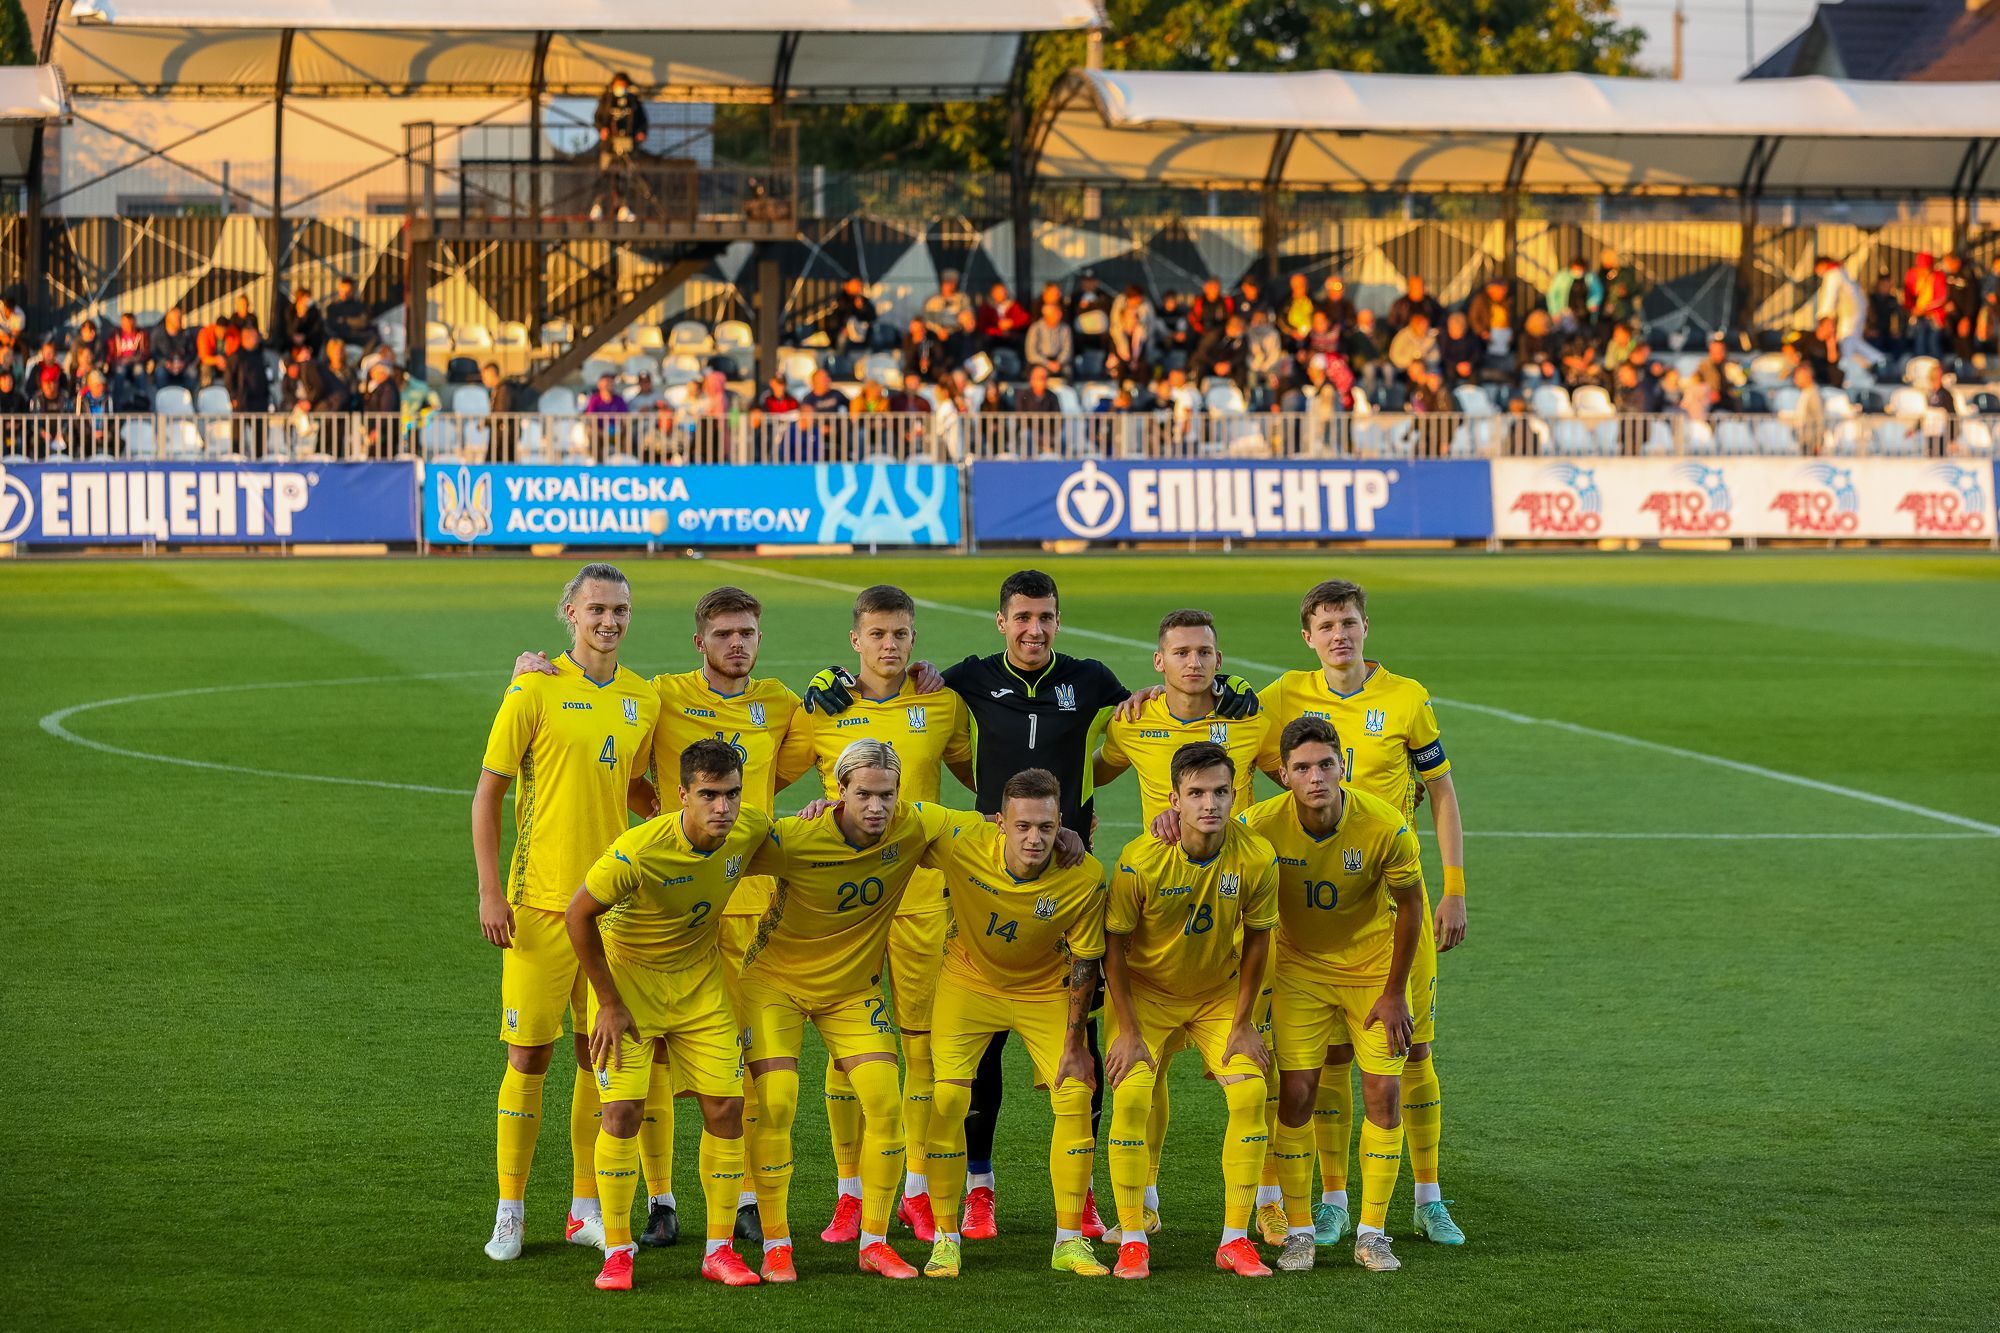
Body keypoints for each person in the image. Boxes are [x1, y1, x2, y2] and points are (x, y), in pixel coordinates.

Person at [514, 585, 815, 1251]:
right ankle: (660, 1199)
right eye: (724, 633)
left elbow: (803, 768)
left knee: (743, 1065)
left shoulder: (782, 704)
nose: (737, 644)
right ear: (699, 641)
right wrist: (661, 812)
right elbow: (615, 752)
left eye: (747, 632)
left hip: (751, 907)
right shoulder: (662, 694)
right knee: (645, 1065)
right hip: (672, 905)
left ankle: (739, 1200)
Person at [1256, 579, 1468, 1248]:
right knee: (1335, 1055)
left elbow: (1441, 791)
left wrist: (1455, 886)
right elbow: (1222, 721)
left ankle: (1428, 1197)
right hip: (1320, 899)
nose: (1338, 634)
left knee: (1414, 1048)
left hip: (1393, 897)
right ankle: (1335, 1200)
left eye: (1348, 621)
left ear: (1366, 627)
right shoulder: (1283, 695)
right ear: (1308, 636)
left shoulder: (1407, 697)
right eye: (1326, 625)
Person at [474, 564, 662, 1266]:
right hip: (538, 907)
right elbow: (486, 796)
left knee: (599, 1054)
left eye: (620, 609)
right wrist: (491, 891)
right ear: (569, 612)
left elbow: (637, 784)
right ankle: (510, 1209)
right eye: (596, 609)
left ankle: (584, 1208)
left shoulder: (644, 697)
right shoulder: (533, 688)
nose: (609, 621)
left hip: (612, 910)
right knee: (529, 1055)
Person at [787, 586, 974, 1246]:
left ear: (914, 639)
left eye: (901, 633)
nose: (890, 644)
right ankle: (850, 1193)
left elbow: (983, 775)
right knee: (847, 1052)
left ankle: (916, 1191)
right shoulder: (818, 708)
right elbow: (763, 774)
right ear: (855, 641)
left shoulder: (943, 702)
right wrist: (810, 814)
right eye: (877, 634)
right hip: (847, 908)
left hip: (922, 899)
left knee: (920, 1045)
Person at [736, 740, 959, 1282]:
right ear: (839, 792)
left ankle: (875, 1242)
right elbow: (717, 850)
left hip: (852, 992)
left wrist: (1064, 835)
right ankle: (776, 1243)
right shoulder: (795, 837)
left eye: (886, 794)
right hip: (775, 985)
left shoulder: (913, 826)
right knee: (779, 1103)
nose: (877, 807)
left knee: (886, 1104)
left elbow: (996, 830)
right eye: (864, 794)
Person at [1090, 610, 1273, 1234]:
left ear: (1219, 660)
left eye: (1204, 652)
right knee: (1147, 1074)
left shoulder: (1249, 720)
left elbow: (1304, 771)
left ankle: (1269, 1201)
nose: (1193, 662)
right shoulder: (1134, 722)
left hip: (1231, 903)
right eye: (1181, 652)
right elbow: (1090, 774)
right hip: (1157, 909)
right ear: (1158, 662)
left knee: (1257, 1074)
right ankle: (1145, 1200)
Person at [566, 738, 769, 1290]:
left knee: (726, 1106)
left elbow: (795, 843)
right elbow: (578, 914)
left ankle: (719, 1250)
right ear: (682, 795)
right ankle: (617, 1249)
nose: (721, 807)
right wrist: (607, 1002)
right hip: (629, 985)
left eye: (731, 794)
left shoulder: (747, 830)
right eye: (708, 795)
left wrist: (829, 810)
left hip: (699, 984)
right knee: (622, 1113)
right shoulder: (640, 849)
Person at [1250, 715, 1427, 1274]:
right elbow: (1207, 847)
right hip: (1300, 970)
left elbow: (1414, 906)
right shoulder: (1259, 825)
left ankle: (1373, 1233)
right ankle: (1300, 1231)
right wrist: (1165, 821)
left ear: (1343, 765)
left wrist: (1396, 992)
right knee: (1297, 1095)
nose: (1317, 776)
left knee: (1384, 1094)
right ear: (1284, 775)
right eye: (1302, 768)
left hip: (1372, 969)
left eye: (1326, 764)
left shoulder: (1384, 825)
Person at [916, 768, 1107, 1279]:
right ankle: (945, 1238)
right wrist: (827, 808)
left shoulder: (1084, 876)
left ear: (1061, 823)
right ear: (1000, 822)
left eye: (1046, 827)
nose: (1034, 838)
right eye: (1022, 826)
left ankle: (1070, 1241)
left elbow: (1085, 961)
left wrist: (1075, 1042)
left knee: (1074, 1095)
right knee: (950, 1100)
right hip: (968, 982)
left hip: (1044, 988)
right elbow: (893, 813)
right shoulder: (963, 840)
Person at [1102, 742, 1277, 1280]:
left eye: (1221, 792)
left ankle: (1234, 1239)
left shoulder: (1257, 857)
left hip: (1217, 996)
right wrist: (1128, 1030)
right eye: (1196, 793)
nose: (1210, 804)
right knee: (1131, 1095)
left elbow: (1258, 939)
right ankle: (1133, 1238)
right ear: (1173, 798)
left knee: (1250, 1092)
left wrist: (1244, 1021)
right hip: (1147, 996)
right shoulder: (1141, 860)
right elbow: (1113, 946)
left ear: (1234, 795)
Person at [592, 73, 648, 222]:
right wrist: (602, 129)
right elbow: (597, 119)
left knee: (625, 178)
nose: (621, 88)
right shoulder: (606, 99)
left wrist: (641, 133)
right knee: (604, 176)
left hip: (627, 145)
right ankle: (597, 207)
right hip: (609, 146)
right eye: (618, 85)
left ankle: (624, 208)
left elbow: (643, 121)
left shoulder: (633, 101)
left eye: (623, 85)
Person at [1813, 255, 1882, 367]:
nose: (1817, 272)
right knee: (1852, 340)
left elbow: (1829, 298)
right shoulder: (1842, 272)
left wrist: (1822, 319)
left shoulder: (1832, 274)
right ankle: (1875, 360)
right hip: (1856, 312)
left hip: (1849, 314)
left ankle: (1874, 360)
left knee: (1847, 340)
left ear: (1822, 265)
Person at [105, 312, 151, 403]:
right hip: (120, 363)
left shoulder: (141, 333)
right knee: (120, 371)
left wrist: (132, 359)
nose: (128, 325)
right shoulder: (115, 334)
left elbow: (146, 352)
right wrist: (115, 362)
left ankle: (142, 400)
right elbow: (111, 353)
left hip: (136, 362)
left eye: (130, 322)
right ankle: (117, 403)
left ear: (134, 322)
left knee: (139, 370)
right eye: (125, 323)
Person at [151, 308, 197, 396]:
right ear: (169, 321)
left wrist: (184, 363)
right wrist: (165, 362)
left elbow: (192, 353)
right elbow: (153, 352)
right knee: (160, 373)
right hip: (165, 365)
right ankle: (163, 399)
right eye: (178, 319)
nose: (181, 321)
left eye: (181, 318)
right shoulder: (157, 333)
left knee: (192, 372)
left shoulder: (186, 333)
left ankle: (187, 399)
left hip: (182, 366)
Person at [826, 277, 877, 354]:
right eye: (855, 285)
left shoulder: (863, 300)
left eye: (858, 285)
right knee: (842, 341)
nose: (858, 287)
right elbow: (834, 320)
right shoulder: (840, 300)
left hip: (861, 335)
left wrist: (862, 308)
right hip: (844, 335)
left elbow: (872, 317)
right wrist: (843, 329)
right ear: (847, 286)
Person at [324, 276, 375, 353]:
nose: (344, 294)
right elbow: (330, 324)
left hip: (355, 336)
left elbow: (362, 323)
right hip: (337, 337)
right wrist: (352, 320)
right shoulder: (332, 307)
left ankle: (359, 362)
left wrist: (344, 320)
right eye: (342, 290)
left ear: (353, 290)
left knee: (373, 338)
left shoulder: (359, 306)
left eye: (348, 291)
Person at [977, 283, 1030, 357]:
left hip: (1011, 336)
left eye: (1003, 292)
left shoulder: (1013, 305)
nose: (1002, 294)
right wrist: (999, 330)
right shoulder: (987, 307)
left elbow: (1025, 319)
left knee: (1022, 341)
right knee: (984, 341)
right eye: (999, 292)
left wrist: (1012, 323)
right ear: (993, 294)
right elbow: (983, 325)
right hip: (994, 337)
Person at [1025, 302, 1073, 379]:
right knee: (1038, 372)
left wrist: (1058, 362)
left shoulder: (1065, 328)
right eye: (1055, 312)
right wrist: (1048, 364)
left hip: (1058, 361)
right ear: (1046, 315)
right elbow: (1031, 354)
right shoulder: (1035, 328)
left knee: (1068, 371)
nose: (1059, 315)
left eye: (1059, 312)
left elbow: (1067, 350)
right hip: (1040, 361)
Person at [923, 269, 970, 339]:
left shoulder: (962, 298)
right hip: (936, 334)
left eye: (954, 282)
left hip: (957, 333)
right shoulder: (932, 300)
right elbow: (926, 319)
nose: (951, 285)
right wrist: (938, 330)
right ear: (942, 282)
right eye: (948, 282)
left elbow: (968, 315)